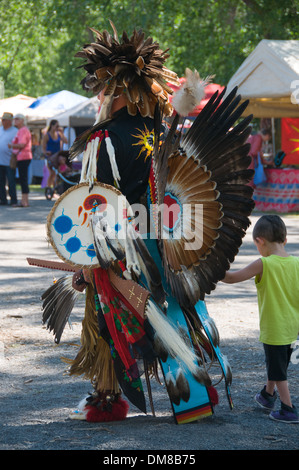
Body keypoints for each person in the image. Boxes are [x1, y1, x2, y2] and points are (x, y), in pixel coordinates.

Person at [222, 215, 299, 423]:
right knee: (277, 363)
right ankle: (267, 395)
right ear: (284, 240)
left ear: (260, 241)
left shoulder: (264, 263)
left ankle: (288, 408)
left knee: (278, 369)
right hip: (292, 327)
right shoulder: (296, 263)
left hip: (274, 328)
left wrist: (212, 269)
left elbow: (231, 278)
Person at [8, 114, 32, 207]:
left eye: (17, 119)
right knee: (23, 178)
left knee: (23, 179)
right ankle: (24, 200)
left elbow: (22, 144)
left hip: (24, 156)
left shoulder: (23, 130)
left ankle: (25, 201)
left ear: (22, 120)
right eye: (15, 119)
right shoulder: (22, 130)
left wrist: (11, 145)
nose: (15, 120)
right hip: (23, 157)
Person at [41, 120, 67, 197]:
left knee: (57, 173)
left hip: (57, 156)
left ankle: (54, 189)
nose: (57, 128)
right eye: (56, 126)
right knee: (51, 173)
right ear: (51, 126)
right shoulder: (47, 135)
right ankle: (49, 188)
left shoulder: (59, 134)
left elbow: (66, 141)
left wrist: (62, 133)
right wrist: (45, 152)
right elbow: (43, 147)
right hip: (50, 156)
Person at [0, 112, 18, 206]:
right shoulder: (0, 130)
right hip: (0, 161)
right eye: (2, 120)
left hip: (9, 161)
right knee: (1, 182)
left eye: (4, 120)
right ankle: (3, 199)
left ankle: (13, 200)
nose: (2, 121)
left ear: (9, 121)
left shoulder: (15, 131)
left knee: (11, 181)